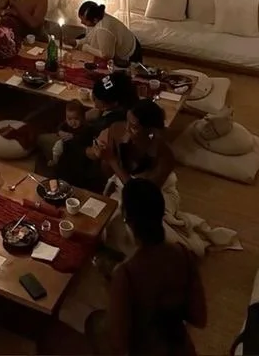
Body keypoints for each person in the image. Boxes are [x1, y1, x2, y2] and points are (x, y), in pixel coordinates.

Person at [93, 178, 207, 355]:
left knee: (94, 325)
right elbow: (200, 317)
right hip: (182, 350)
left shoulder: (127, 274)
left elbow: (119, 344)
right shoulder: (182, 254)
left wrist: (116, 289)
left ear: (127, 220)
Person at [50, 74, 138, 191]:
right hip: (79, 141)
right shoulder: (112, 108)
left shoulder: (116, 125)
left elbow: (96, 154)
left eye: (96, 98)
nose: (92, 98)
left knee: (48, 144)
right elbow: (83, 118)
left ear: (114, 103)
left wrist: (74, 141)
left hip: (85, 164)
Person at [96, 100, 175, 190]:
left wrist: (112, 161)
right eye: (127, 121)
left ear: (151, 131)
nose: (127, 128)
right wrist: (103, 157)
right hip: (123, 185)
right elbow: (108, 171)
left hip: (153, 195)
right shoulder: (116, 129)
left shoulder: (165, 154)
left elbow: (141, 194)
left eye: (134, 127)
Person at [78, 1, 143, 66]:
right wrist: (77, 42)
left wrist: (86, 48)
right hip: (128, 41)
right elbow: (89, 37)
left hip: (132, 54)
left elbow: (106, 55)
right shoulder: (97, 18)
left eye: (84, 21)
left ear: (95, 20)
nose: (82, 22)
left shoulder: (103, 28)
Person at [49, 100, 86, 167]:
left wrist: (73, 136)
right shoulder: (66, 123)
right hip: (66, 146)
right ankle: (55, 161)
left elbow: (84, 138)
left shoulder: (85, 127)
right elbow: (59, 127)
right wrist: (60, 132)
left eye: (76, 119)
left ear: (83, 117)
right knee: (57, 147)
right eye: (69, 119)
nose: (72, 122)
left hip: (79, 150)